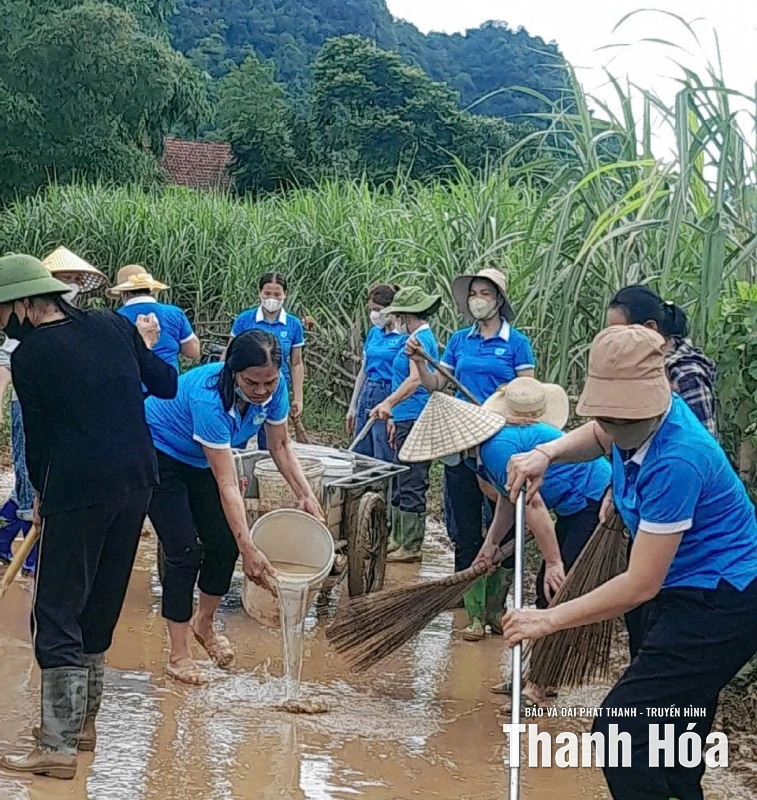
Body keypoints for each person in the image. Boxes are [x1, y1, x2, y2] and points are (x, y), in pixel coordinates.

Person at [504, 325, 757, 800]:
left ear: (653, 405)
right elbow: (601, 435)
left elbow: (640, 583)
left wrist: (548, 619)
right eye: (606, 415)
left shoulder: (678, 459)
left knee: (622, 733)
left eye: (622, 418)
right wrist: (547, 452)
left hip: (721, 599)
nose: (611, 427)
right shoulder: (629, 424)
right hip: (677, 586)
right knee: (672, 731)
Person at [0, 254, 177, 780]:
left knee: (55, 611)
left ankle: (56, 747)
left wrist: (39, 498)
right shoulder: (113, 325)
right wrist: (139, 348)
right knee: (100, 601)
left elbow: (38, 442)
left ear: (24, 304)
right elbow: (166, 384)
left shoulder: (32, 356)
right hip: (137, 481)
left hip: (77, 489)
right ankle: (82, 729)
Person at [144, 330, 323, 686]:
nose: (261, 391)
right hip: (157, 451)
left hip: (200, 458)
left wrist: (305, 494)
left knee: (224, 542)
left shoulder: (275, 389)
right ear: (232, 371)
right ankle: (178, 655)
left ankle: (204, 623)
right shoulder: (208, 396)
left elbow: (280, 446)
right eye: (251, 382)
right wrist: (250, 549)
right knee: (184, 551)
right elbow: (227, 483)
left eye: (269, 382)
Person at [408, 268, 535, 603]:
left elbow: (528, 396)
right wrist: (420, 363)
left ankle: (496, 600)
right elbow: (437, 384)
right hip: (462, 441)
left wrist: (501, 410)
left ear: (499, 301)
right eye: (474, 294)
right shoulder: (459, 340)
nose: (478, 300)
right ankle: (464, 598)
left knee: (503, 522)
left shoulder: (517, 344)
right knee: (464, 526)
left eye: (485, 294)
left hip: (500, 443)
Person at [0, 248, 108, 576]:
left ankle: (6, 538)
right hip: (27, 407)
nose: (72, 285)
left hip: (61, 411)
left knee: (36, 480)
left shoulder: (75, 325)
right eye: (66, 279)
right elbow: (5, 365)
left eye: (76, 280)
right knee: (31, 476)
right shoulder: (23, 327)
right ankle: (31, 555)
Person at [368, 287, 441, 561]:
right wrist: (393, 415)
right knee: (401, 475)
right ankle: (398, 537)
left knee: (412, 477)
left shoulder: (420, 340)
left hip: (416, 415)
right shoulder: (413, 338)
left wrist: (389, 403)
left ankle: (411, 543)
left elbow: (415, 380)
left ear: (406, 316)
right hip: (404, 416)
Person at [607, 284, 717, 436]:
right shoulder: (636, 365)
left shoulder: (686, 375)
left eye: (619, 333)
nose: (612, 341)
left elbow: (703, 441)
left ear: (650, 328)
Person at [230, 273, 305, 450]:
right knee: (235, 441)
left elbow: (296, 363)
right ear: (259, 293)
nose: (272, 298)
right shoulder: (244, 320)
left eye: (277, 294)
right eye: (267, 293)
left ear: (285, 294)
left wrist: (298, 398)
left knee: (273, 443)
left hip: (274, 391)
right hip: (244, 389)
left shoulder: (293, 325)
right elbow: (229, 354)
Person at [346, 284, 406, 462]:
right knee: (361, 449)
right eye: (371, 310)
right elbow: (364, 370)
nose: (374, 314)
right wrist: (353, 405)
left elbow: (403, 377)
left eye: (378, 310)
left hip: (389, 392)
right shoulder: (374, 333)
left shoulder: (403, 337)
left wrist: (393, 411)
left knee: (383, 448)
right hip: (369, 391)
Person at [109, 264, 201, 373]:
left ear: (124, 294)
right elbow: (193, 352)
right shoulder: (175, 313)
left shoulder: (113, 319)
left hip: (131, 381)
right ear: (150, 289)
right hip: (169, 380)